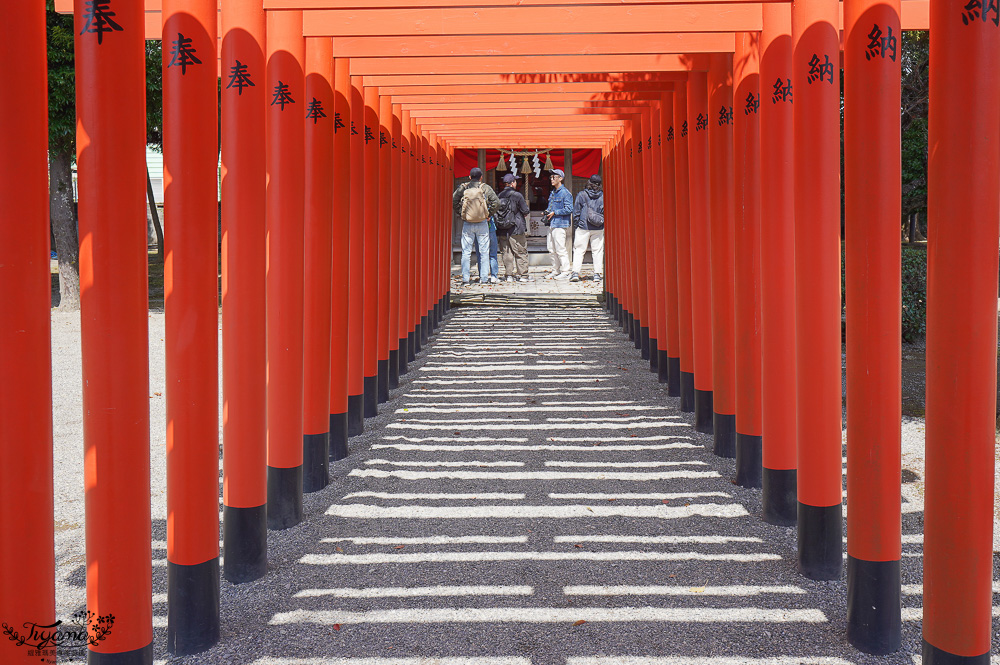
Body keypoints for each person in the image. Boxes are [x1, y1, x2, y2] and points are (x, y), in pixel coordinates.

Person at [452, 167, 499, 284]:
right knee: (484, 252)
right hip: (482, 223)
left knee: (466, 252)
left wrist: (462, 213)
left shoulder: (464, 187)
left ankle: (465, 279)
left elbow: (454, 200)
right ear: (481, 177)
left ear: (469, 177)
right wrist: (488, 214)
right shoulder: (485, 188)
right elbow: (496, 202)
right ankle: (484, 279)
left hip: (468, 223)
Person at [494, 173, 531, 282]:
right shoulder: (517, 196)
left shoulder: (498, 196)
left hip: (502, 228)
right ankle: (523, 275)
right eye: (515, 181)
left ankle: (509, 275)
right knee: (520, 251)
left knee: (506, 252)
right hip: (516, 228)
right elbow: (525, 211)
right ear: (512, 183)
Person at [569, 174, 606, 282]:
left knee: (579, 250)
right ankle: (597, 274)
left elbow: (576, 212)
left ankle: (575, 272)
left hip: (583, 226)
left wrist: (577, 224)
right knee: (597, 250)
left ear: (589, 182)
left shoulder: (582, 195)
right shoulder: (603, 196)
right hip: (598, 227)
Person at [543, 168, 574, 280]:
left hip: (560, 224)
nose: (551, 179)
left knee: (561, 248)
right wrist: (547, 212)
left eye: (554, 177)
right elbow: (550, 207)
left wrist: (555, 212)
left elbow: (569, 209)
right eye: (551, 177)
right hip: (552, 223)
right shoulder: (553, 193)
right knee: (551, 248)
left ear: (560, 178)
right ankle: (555, 270)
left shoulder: (566, 193)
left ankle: (565, 271)